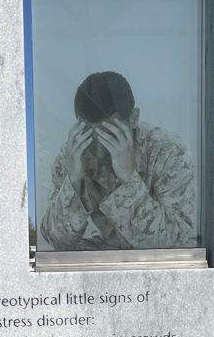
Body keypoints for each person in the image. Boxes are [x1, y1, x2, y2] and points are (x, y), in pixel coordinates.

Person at [41, 71, 196, 251]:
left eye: (110, 134)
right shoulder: (73, 155)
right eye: (90, 135)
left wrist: (129, 178)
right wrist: (74, 181)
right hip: (108, 254)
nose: (99, 150)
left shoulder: (170, 153)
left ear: (134, 119)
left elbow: (177, 244)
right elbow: (58, 242)